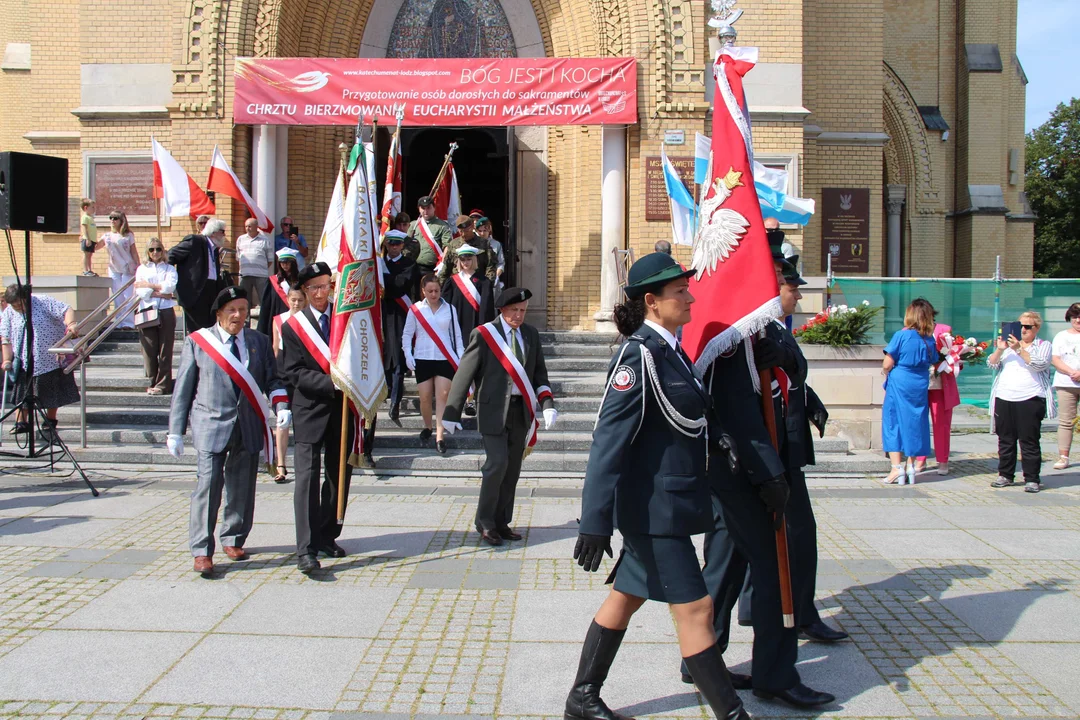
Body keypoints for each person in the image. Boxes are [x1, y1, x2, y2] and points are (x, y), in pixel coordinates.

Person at [566, 253, 749, 720]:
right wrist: (594, 522)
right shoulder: (638, 356)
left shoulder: (670, 350)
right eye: (679, 293)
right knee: (697, 610)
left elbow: (687, 415)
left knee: (626, 597)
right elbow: (607, 443)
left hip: (671, 502)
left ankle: (582, 697)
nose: (689, 297)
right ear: (652, 302)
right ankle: (732, 713)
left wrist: (720, 439)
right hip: (654, 512)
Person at [684, 249, 836, 710]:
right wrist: (766, 472)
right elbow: (734, 410)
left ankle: (701, 657)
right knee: (772, 569)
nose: (779, 288)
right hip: (743, 470)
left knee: (725, 568)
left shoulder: (764, 325)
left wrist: (788, 362)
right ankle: (773, 673)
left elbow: (792, 368)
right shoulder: (734, 331)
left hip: (752, 466)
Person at [167, 285, 290, 576]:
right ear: (219, 313)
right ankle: (201, 550)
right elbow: (183, 390)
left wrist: (281, 404)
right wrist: (175, 430)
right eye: (232, 310)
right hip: (211, 424)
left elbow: (272, 380)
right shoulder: (198, 342)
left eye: (244, 310)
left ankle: (234, 537)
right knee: (208, 487)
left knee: (242, 487)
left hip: (247, 424)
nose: (239, 316)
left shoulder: (258, 342)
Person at [443, 287, 555, 546]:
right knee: (497, 465)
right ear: (502, 310)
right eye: (514, 310)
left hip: (520, 410)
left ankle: (502, 521)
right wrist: (452, 411)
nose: (519, 315)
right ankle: (485, 522)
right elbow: (464, 374)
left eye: (523, 311)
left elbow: (539, 373)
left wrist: (547, 403)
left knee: (512, 469)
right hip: (493, 410)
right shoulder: (484, 335)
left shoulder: (531, 334)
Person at [281, 261, 356, 573]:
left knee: (339, 477)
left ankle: (328, 534)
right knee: (308, 481)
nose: (320, 293)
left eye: (325, 286)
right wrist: (332, 383)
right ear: (304, 291)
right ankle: (306, 548)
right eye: (313, 288)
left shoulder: (346, 321)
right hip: (310, 410)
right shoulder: (293, 326)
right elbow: (292, 372)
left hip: (342, 411)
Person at [0, 285, 80, 437]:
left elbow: (66, 309)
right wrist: (6, 359)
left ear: (26, 298)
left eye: (20, 304)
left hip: (49, 358)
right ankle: (21, 422)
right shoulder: (9, 313)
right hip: (24, 359)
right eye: (15, 306)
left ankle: (50, 421)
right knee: (22, 393)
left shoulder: (42, 301)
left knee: (51, 392)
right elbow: (6, 338)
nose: (18, 308)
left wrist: (71, 324)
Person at [988, 310, 1055, 493]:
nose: (1024, 330)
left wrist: (1019, 349)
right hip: (1005, 396)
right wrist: (1001, 348)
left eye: (1028, 327)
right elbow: (992, 363)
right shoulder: (1008, 348)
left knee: (1029, 440)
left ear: (1037, 328)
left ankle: (1032, 478)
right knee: (1005, 439)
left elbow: (1040, 364)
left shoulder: (1043, 345)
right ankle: (1005, 475)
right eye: (1021, 326)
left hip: (1030, 398)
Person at [403, 274, 464, 453]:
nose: (434, 294)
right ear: (423, 291)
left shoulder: (450, 309)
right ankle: (428, 426)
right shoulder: (415, 310)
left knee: (443, 395)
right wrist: (408, 353)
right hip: (423, 357)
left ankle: (439, 435)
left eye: (436, 290)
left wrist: (460, 356)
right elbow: (407, 334)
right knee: (425, 397)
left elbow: (457, 335)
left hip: (444, 358)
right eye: (430, 291)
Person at [881, 300, 936, 485]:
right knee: (915, 421)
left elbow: (887, 363)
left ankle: (896, 468)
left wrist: (885, 371)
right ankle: (911, 465)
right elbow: (934, 360)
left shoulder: (901, 336)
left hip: (900, 380)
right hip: (919, 382)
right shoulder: (929, 339)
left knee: (893, 420)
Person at [442, 246, 495, 417]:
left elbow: (487, 309)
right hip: (457, 330)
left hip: (476, 329)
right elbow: (445, 307)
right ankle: (462, 400)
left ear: (474, 260)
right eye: (463, 259)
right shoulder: (452, 281)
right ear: (459, 261)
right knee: (460, 366)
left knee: (477, 366)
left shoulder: (484, 282)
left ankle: (473, 400)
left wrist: (482, 331)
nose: (466, 262)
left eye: (468, 259)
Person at [914, 302, 961, 475]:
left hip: (939, 383)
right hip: (917, 383)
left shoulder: (943, 330)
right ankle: (920, 459)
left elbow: (954, 354)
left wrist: (948, 362)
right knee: (918, 422)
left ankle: (942, 460)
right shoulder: (908, 331)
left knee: (941, 423)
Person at [133, 237, 178, 395]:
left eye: (158, 249)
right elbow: (142, 292)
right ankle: (151, 381)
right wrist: (161, 292)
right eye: (151, 249)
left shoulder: (170, 269)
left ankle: (163, 385)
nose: (155, 252)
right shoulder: (142, 269)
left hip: (166, 311)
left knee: (165, 350)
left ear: (163, 251)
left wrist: (150, 286)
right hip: (147, 310)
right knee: (149, 349)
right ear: (147, 252)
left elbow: (170, 287)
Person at [271, 285, 307, 483]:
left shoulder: (308, 320)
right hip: (283, 373)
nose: (296, 304)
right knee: (282, 420)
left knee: (301, 420)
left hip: (301, 374)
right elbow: (275, 348)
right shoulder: (279, 319)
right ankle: (281, 464)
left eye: (300, 300)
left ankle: (302, 464)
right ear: (287, 299)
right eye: (293, 300)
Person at [382, 231, 418, 422]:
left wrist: (384, 281)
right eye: (391, 244)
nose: (394, 247)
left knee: (397, 359)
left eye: (397, 244)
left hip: (399, 315)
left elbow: (399, 286)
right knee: (383, 356)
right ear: (386, 244)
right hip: (381, 312)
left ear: (402, 246)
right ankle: (386, 391)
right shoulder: (379, 263)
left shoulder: (409, 264)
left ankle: (395, 403)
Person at [168, 218, 227, 333]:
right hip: (196, 292)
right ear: (214, 232)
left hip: (211, 290)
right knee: (197, 330)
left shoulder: (214, 249)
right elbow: (171, 255)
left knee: (210, 327)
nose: (224, 235)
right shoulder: (195, 241)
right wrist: (171, 278)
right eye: (222, 231)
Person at [95, 210, 140, 329]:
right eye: (110, 218)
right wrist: (86, 239)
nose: (112, 221)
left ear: (121, 220)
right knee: (117, 295)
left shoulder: (128, 235)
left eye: (115, 218)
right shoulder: (107, 236)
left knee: (128, 296)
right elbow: (96, 246)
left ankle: (129, 323)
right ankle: (119, 322)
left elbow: (133, 251)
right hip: (114, 268)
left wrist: (138, 266)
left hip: (127, 267)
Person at [1050, 302, 1080, 470]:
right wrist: (1072, 372)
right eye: (1075, 316)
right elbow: (1056, 359)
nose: (1078, 320)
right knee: (1066, 421)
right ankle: (1063, 456)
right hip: (1066, 383)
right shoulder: (1061, 336)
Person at [256, 248, 301, 337]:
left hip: (297, 319)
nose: (285, 265)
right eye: (282, 263)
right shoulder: (272, 281)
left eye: (288, 262)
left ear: (293, 263)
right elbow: (266, 307)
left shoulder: (300, 280)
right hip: (278, 320)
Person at [440, 215, 498, 284]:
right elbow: (446, 269)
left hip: (478, 284)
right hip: (459, 285)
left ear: (472, 227)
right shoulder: (453, 244)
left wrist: (487, 285)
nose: (463, 234)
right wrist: (442, 287)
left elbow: (491, 266)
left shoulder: (484, 244)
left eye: (466, 231)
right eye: (461, 231)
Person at [236, 218, 275, 317]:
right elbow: (238, 257)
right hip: (244, 275)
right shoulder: (240, 239)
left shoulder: (265, 240)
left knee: (264, 299)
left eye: (249, 226)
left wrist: (259, 268)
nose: (247, 228)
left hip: (261, 275)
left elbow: (270, 259)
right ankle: (245, 323)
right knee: (244, 300)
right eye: (246, 226)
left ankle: (265, 322)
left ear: (256, 226)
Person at [406, 196, 453, 276]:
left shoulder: (442, 226)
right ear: (419, 209)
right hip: (414, 267)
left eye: (428, 208)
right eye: (423, 208)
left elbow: (447, 246)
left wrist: (442, 263)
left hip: (432, 268)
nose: (425, 211)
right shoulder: (413, 225)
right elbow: (406, 245)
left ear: (434, 208)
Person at [474, 217, 505, 291]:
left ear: (489, 230)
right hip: (476, 280)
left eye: (485, 230)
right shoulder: (473, 244)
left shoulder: (496, 244)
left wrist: (496, 277)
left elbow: (501, 263)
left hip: (492, 280)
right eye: (480, 231)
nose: (482, 233)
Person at [79, 198, 97, 276]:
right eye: (92, 207)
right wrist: (87, 238)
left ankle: (90, 269)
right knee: (86, 254)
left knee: (90, 255)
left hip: (92, 240)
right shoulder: (85, 217)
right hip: (87, 240)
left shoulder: (91, 218)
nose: (94, 209)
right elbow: (84, 228)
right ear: (86, 208)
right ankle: (85, 270)